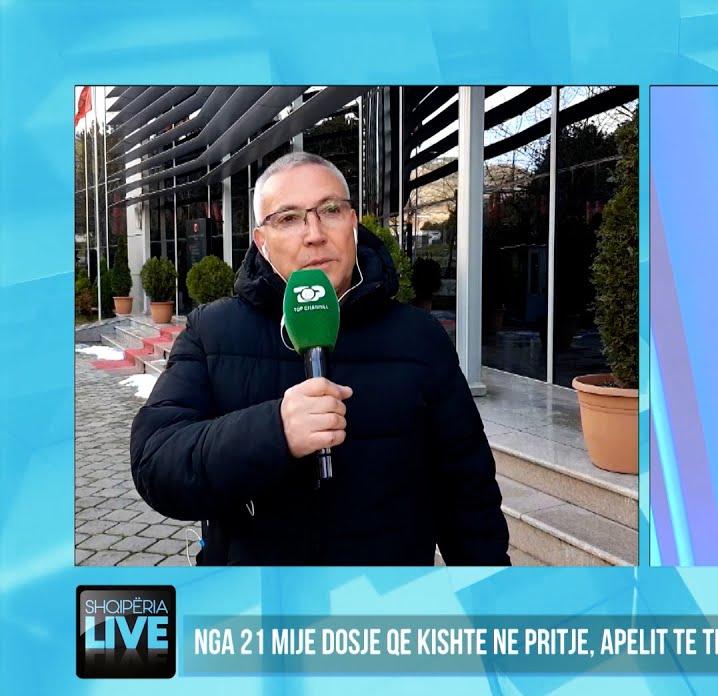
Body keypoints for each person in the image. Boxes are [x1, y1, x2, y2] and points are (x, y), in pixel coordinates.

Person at [130, 151, 510, 566]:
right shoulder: (212, 331)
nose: (314, 233)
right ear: (261, 241)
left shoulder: (419, 338)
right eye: (288, 218)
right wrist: (274, 430)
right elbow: (157, 465)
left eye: (330, 210)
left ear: (353, 222)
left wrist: (489, 595)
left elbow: (468, 492)